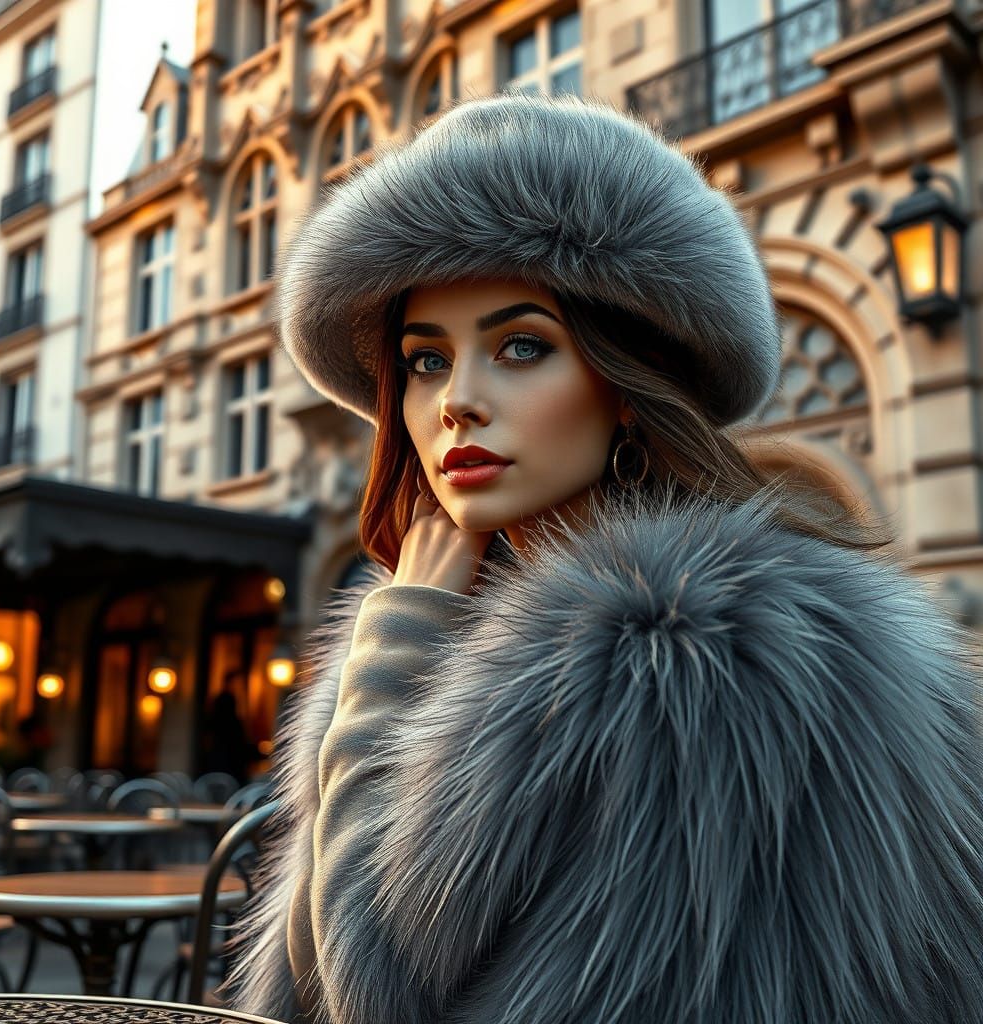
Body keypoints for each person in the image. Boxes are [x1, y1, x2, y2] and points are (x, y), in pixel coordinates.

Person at [225, 94, 983, 1023]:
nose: (457, 400)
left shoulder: (698, 658)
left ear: (625, 386)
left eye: (520, 346)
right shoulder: (472, 628)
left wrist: (393, 649)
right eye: (425, 361)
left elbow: (370, 998)